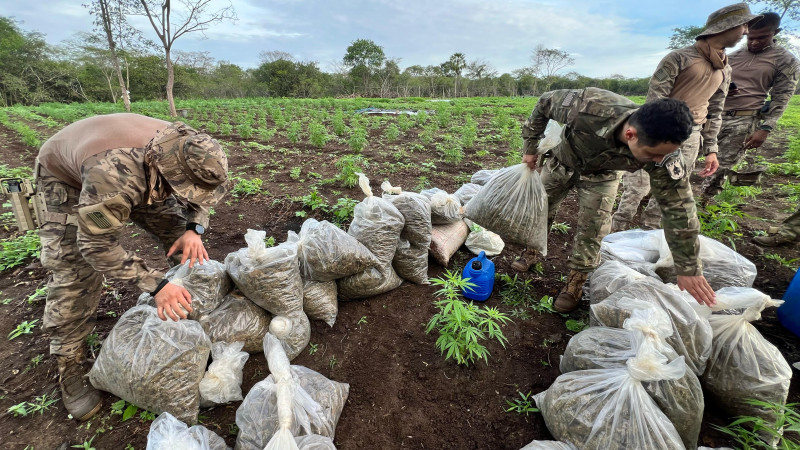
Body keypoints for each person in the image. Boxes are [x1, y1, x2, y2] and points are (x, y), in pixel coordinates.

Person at [35, 113, 228, 421]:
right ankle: (69, 362)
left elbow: (200, 191)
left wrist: (196, 228)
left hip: (141, 170)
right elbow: (96, 246)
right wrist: (156, 285)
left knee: (181, 236)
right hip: (68, 179)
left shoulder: (192, 145)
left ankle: (195, 312)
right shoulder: (111, 177)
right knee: (75, 273)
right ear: (169, 172)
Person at [514, 87, 716, 313]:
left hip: (603, 175)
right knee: (539, 209)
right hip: (562, 162)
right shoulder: (587, 106)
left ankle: (575, 283)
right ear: (631, 135)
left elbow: (680, 208)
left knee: (594, 228)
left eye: (665, 155)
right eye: (652, 155)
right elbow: (544, 102)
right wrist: (530, 149)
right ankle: (530, 252)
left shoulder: (666, 155)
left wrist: (688, 267)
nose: (659, 161)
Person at [610, 3, 759, 232]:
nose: (747, 31)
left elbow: (715, 110)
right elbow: (654, 101)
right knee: (636, 190)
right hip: (656, 134)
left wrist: (711, 148)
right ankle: (613, 236)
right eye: (744, 25)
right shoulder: (679, 58)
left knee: (670, 192)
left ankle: (649, 238)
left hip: (691, 137)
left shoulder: (725, 70)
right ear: (727, 26)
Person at [701, 12, 800, 198]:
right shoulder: (732, 55)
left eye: (762, 37)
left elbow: (781, 98)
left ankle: (703, 203)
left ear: (775, 32)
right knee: (681, 154)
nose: (754, 42)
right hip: (711, 116)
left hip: (743, 120)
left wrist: (765, 128)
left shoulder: (786, 60)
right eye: (750, 37)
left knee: (721, 168)